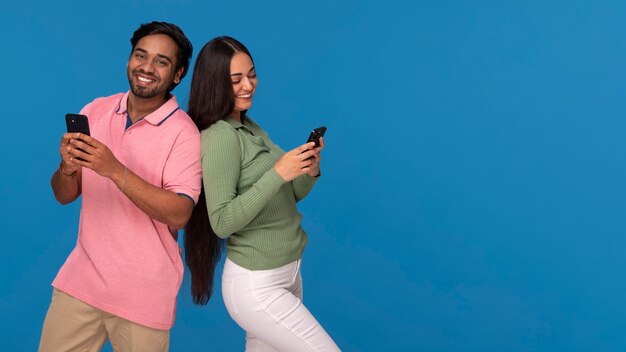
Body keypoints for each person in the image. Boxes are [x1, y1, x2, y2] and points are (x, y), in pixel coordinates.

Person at [39, 21, 201, 352]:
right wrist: (67, 168)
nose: (146, 67)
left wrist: (114, 170)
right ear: (129, 60)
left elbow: (181, 213)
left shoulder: (184, 134)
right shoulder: (95, 110)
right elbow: (63, 195)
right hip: (81, 283)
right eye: (141, 55)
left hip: (144, 295)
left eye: (161, 61)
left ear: (178, 75)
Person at [185, 36, 340, 351]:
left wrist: (309, 170)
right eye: (235, 79)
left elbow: (288, 195)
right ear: (215, 83)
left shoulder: (250, 127)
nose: (248, 85)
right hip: (257, 286)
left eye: (251, 74)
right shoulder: (220, 138)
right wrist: (277, 172)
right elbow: (222, 221)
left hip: (287, 275)